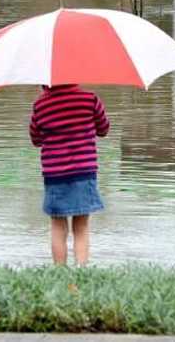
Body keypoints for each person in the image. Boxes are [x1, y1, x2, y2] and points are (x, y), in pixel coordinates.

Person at [29, 83, 110, 266]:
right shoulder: (89, 99)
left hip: (54, 174)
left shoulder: (41, 105)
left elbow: (36, 139)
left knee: (58, 226)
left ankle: (60, 270)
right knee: (81, 226)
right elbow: (103, 129)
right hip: (84, 171)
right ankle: (81, 269)